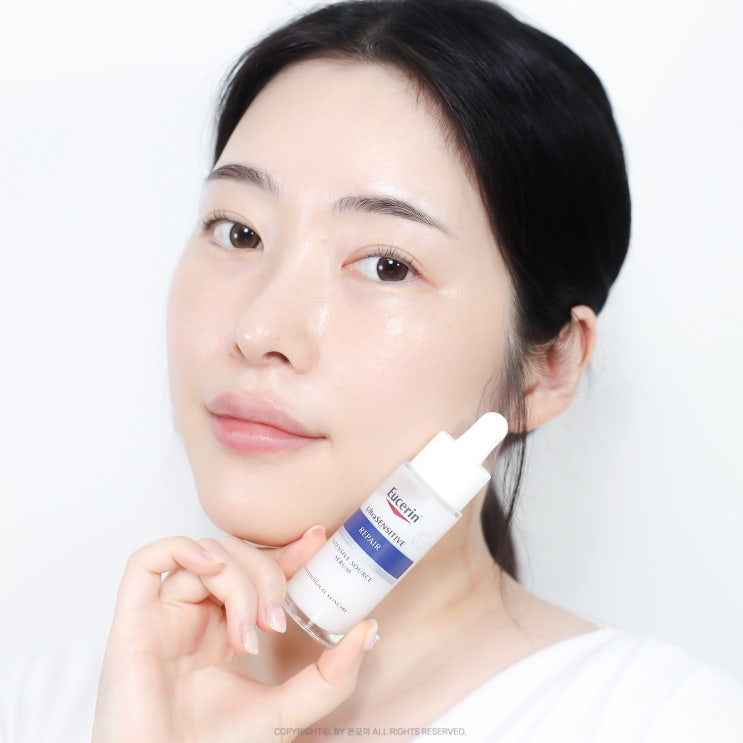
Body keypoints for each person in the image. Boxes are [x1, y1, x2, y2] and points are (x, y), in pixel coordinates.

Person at [4, 1, 743, 741]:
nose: (258, 330)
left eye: (387, 265)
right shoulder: (54, 706)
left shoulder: (666, 723)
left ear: (547, 366)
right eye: (239, 231)